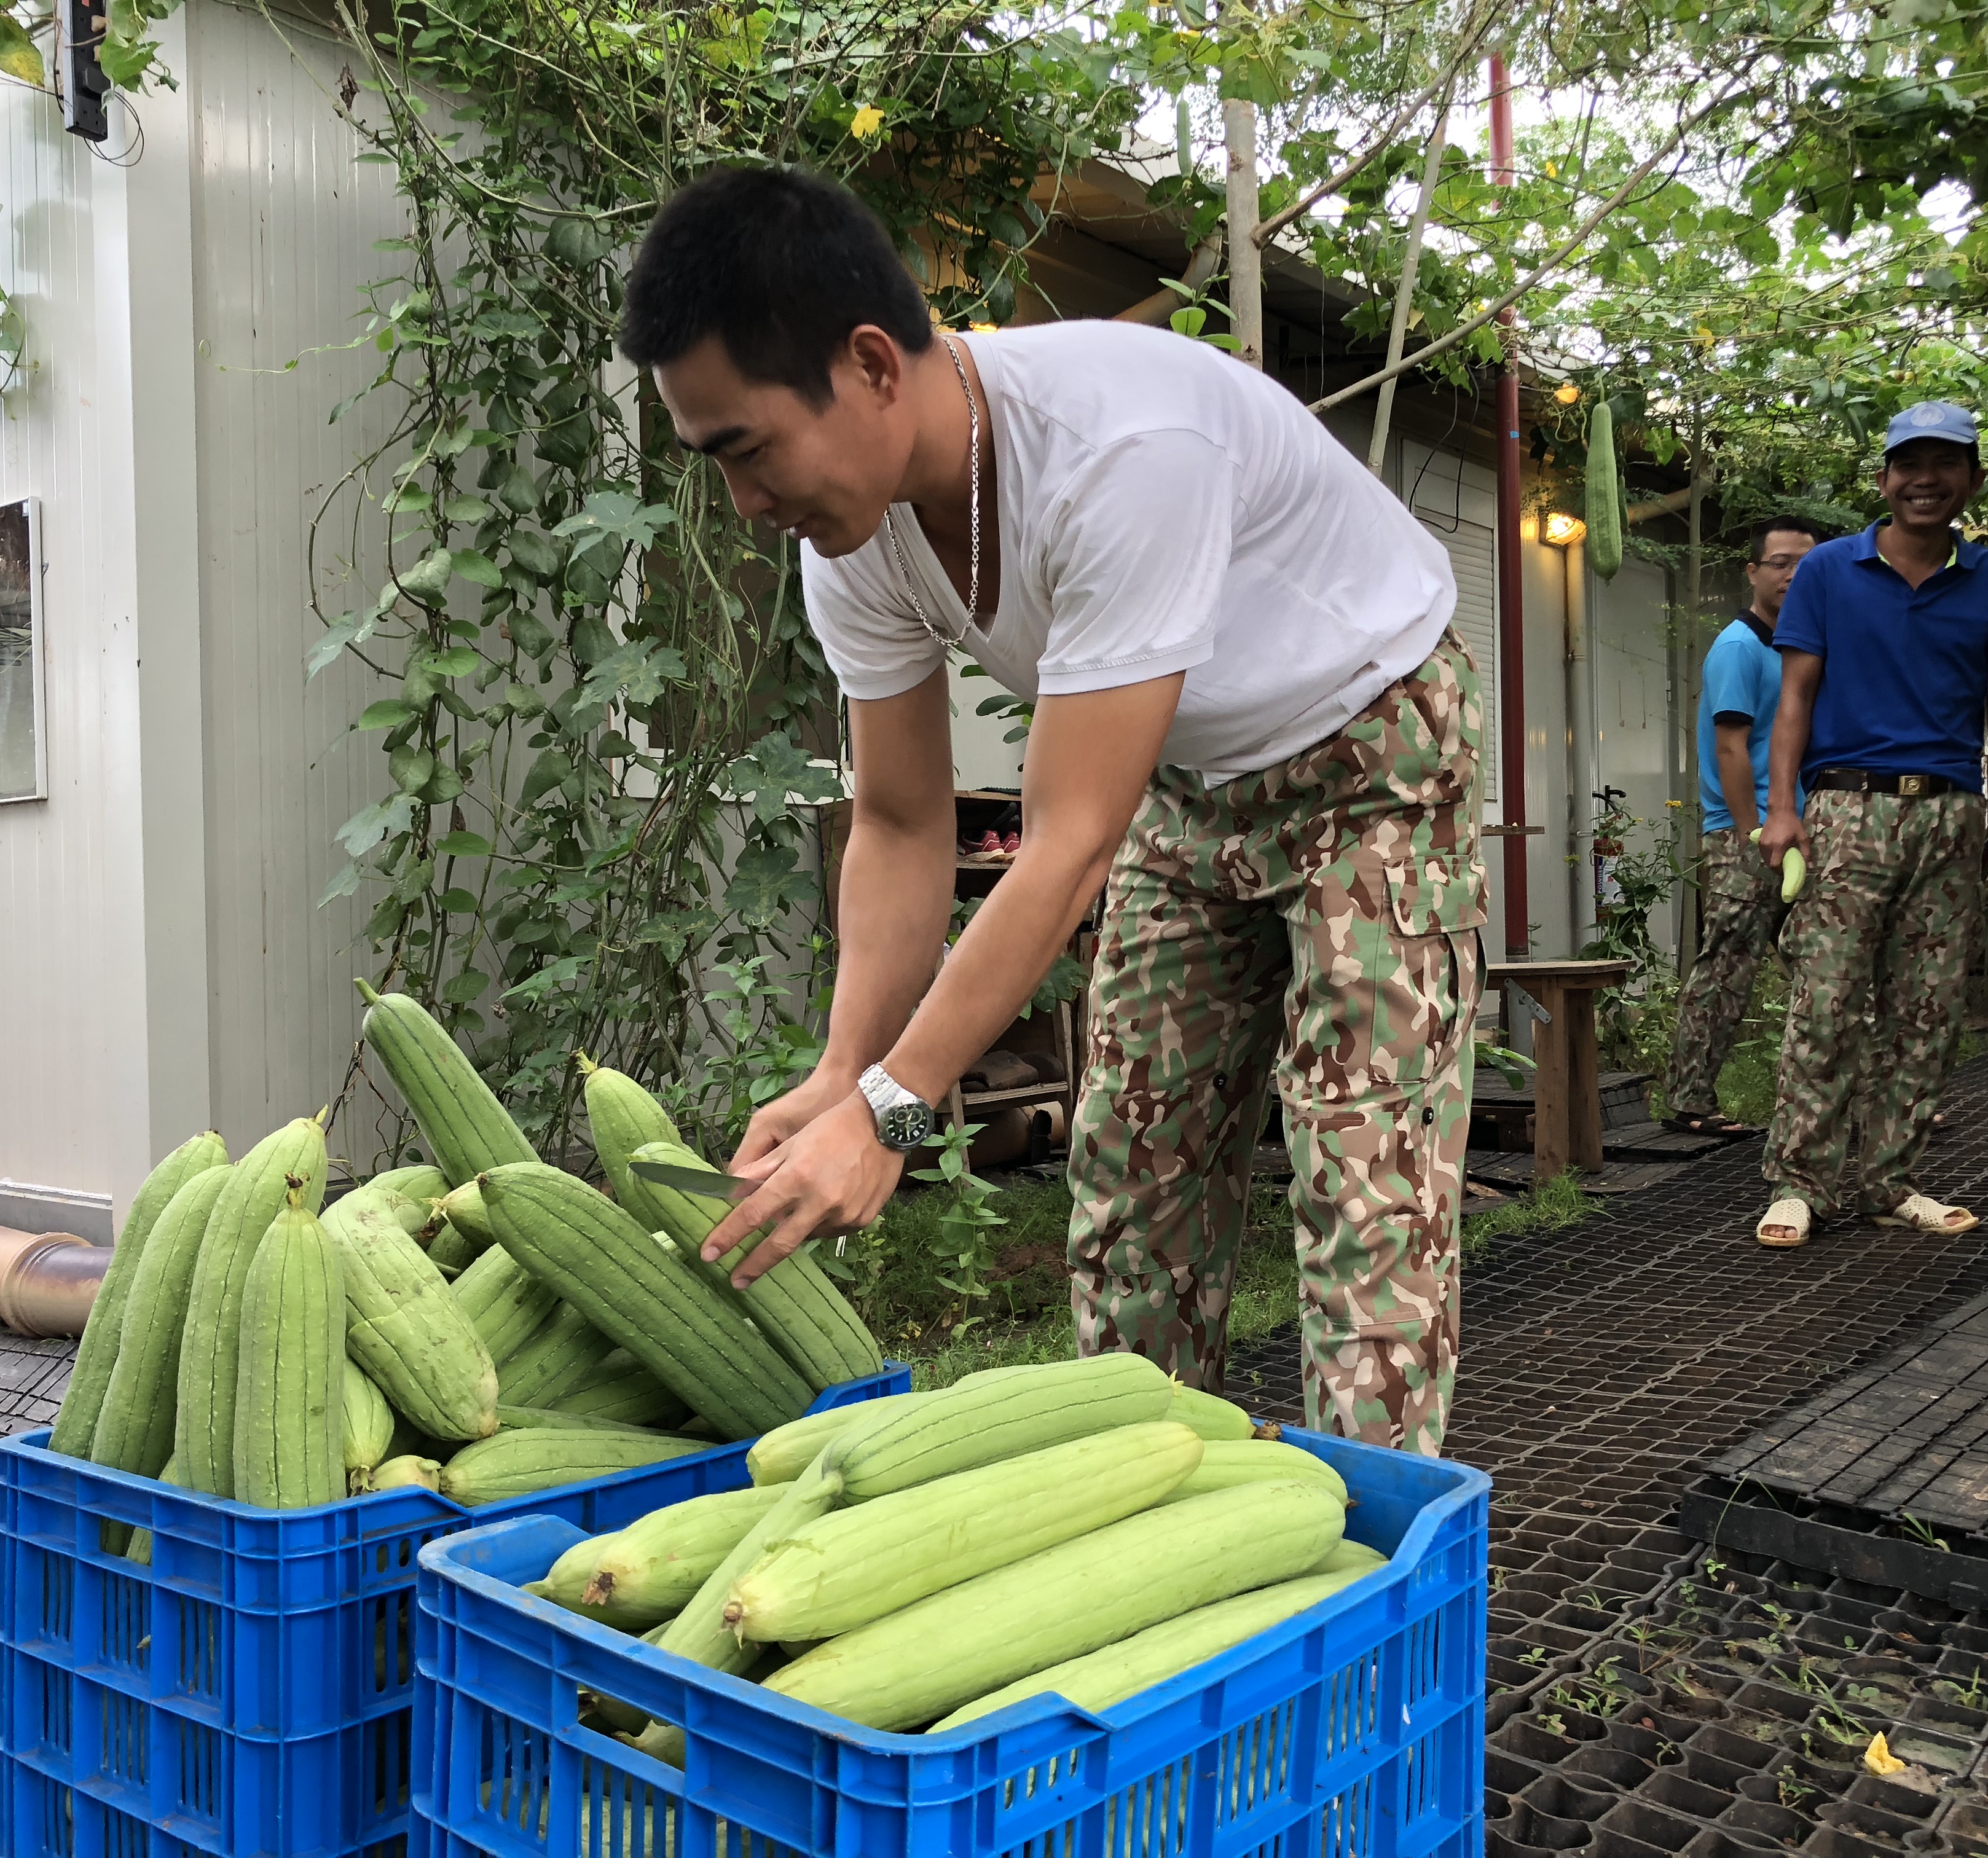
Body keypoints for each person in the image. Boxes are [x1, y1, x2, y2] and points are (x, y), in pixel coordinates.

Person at [621, 167, 1484, 1452]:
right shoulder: (849, 541)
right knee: (1134, 1177)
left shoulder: (1121, 449)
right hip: (1190, 788)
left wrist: (895, 1113)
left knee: (1365, 1182)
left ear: (869, 365)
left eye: (747, 450)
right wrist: (853, 1082)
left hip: (1372, 755)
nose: (748, 506)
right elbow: (904, 827)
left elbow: (1070, 846)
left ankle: (1361, 1580)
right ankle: (1140, 1509)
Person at [1753, 402, 1988, 1249]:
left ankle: (1886, 1178)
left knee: (1927, 1009)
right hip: (1846, 808)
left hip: (1952, 814)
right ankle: (1798, 1183)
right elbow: (1794, 697)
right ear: (1883, 480)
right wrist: (1781, 810)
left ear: (1971, 481)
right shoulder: (1830, 572)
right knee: (1828, 999)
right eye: (1908, 463)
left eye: (1945, 463)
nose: (1926, 478)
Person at [1662, 515, 1833, 1135]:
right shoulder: (1739, 646)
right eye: (1781, 562)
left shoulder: (1802, 645)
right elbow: (1730, 747)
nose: (1794, 575)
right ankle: (1689, 1103)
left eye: (1805, 565)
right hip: (1749, 833)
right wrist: (1749, 832)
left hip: (1803, 829)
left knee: (1832, 963)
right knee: (1729, 962)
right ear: (1754, 571)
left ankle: (1857, 1100)